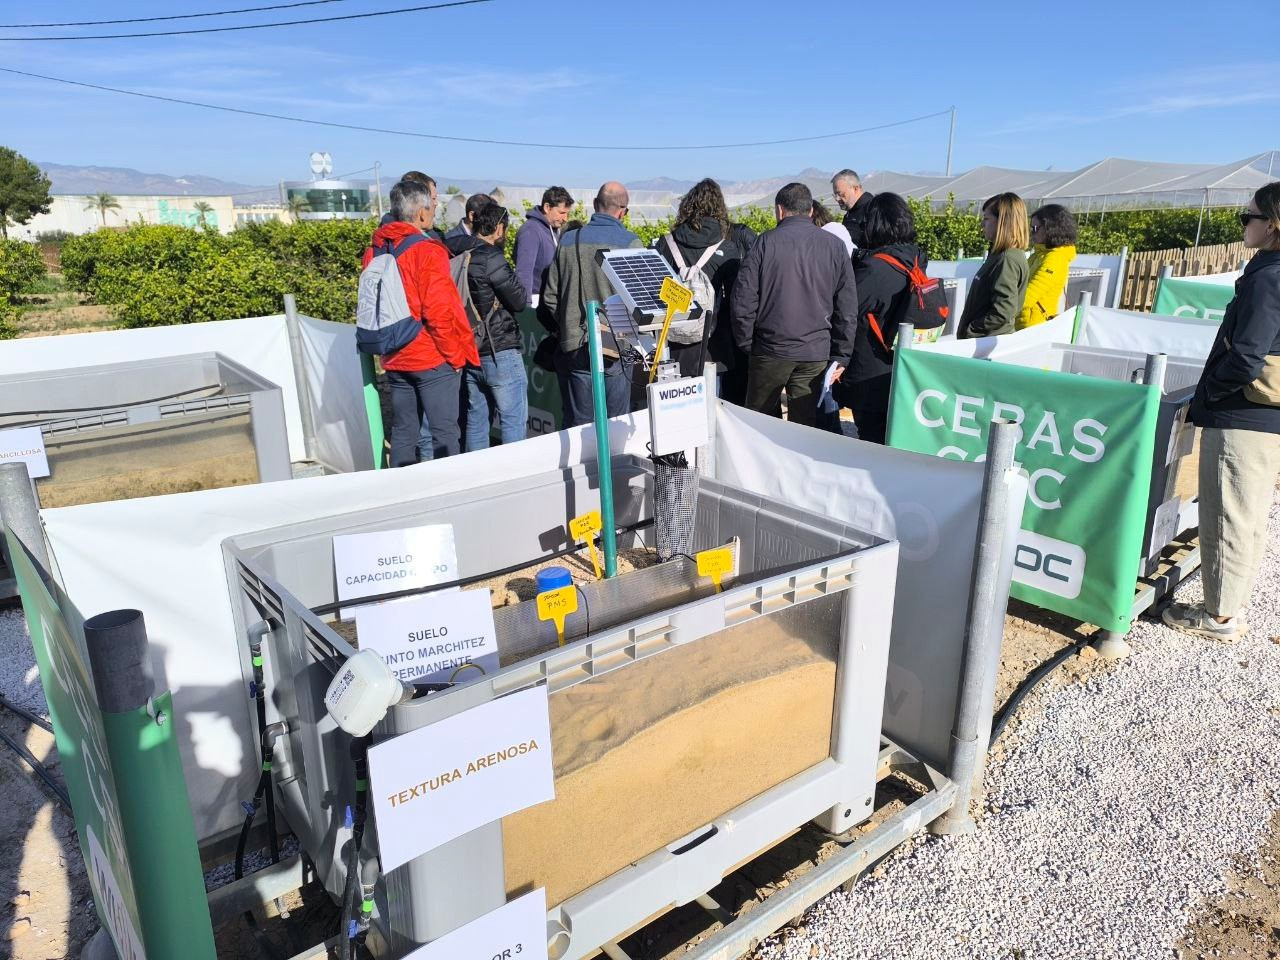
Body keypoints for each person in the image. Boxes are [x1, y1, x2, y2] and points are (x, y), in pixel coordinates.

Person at [1163, 182, 1280, 641]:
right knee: (1249, 513)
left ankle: (1219, 616)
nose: (1242, 225)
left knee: (1228, 513)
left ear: (1272, 224)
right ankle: (1228, 605)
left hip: (1241, 417)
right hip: (1264, 419)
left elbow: (1246, 357)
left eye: (1246, 217)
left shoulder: (1268, 278)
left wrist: (1206, 395)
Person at [363, 179, 478, 466]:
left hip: (394, 355)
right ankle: (446, 496)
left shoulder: (376, 249)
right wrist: (454, 356)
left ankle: (403, 493)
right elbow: (439, 311)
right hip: (430, 356)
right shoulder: (427, 250)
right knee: (445, 434)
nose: (435, 210)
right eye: (433, 205)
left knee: (403, 432)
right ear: (422, 212)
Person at [732, 182, 858, 428]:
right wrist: (841, 354)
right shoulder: (834, 246)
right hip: (816, 353)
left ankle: (766, 465)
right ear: (811, 210)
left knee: (761, 422)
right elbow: (846, 306)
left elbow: (743, 300)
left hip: (770, 350)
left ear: (779, 210)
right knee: (805, 425)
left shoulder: (765, 243)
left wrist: (747, 342)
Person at [542, 181, 642, 427]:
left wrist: (570, 323)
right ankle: (613, 467)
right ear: (623, 211)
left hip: (576, 344)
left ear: (596, 206)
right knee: (616, 424)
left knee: (581, 426)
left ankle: (584, 467)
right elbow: (641, 302)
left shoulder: (567, 241)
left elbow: (550, 297)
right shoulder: (631, 243)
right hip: (619, 346)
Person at [830, 193, 926, 444]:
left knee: (872, 439)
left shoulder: (875, 268)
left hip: (871, 371)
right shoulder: (915, 258)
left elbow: (847, 310)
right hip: (900, 365)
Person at [446, 201, 529, 451]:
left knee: (476, 420)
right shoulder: (491, 257)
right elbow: (519, 300)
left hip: (468, 347)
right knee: (513, 419)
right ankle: (515, 480)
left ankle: (478, 480)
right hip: (498, 348)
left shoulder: (453, 250)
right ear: (500, 229)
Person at [654, 178, 749, 381]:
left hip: (674, 341)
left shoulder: (666, 243)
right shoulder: (727, 248)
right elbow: (736, 298)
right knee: (711, 404)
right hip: (713, 343)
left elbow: (655, 288)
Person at [957, 193, 1029, 339]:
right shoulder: (1000, 255)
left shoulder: (1007, 259)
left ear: (1003, 221)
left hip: (985, 342)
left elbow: (1003, 312)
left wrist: (970, 330)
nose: (982, 224)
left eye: (986, 219)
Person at [1017, 204, 1078, 330]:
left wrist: (997, 309)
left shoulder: (1055, 259)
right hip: (1022, 325)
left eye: (1035, 228)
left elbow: (1027, 297)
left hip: (1033, 328)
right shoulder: (1039, 254)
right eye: (1031, 228)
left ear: (1051, 228)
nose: (1031, 232)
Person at [515, 186, 573, 304]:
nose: (565, 218)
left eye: (567, 214)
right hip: (535, 301)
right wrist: (526, 307)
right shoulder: (531, 230)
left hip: (547, 300)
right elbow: (524, 272)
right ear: (547, 207)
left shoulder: (553, 229)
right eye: (562, 212)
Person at [832, 169, 874, 249]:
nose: (837, 199)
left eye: (840, 193)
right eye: (835, 194)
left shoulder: (873, 210)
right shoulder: (851, 212)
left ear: (855, 188)